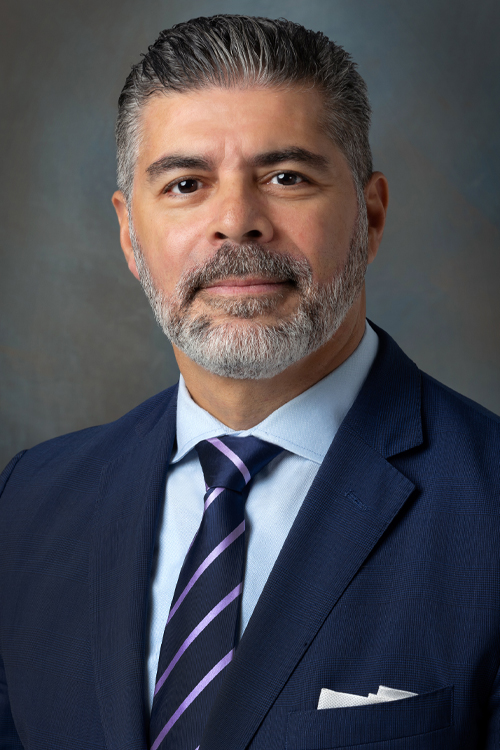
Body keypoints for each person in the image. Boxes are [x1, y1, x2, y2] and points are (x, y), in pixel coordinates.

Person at [1, 14, 499, 750]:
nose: (237, 222)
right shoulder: (28, 504)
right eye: (186, 183)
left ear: (371, 213)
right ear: (129, 236)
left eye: (286, 176)